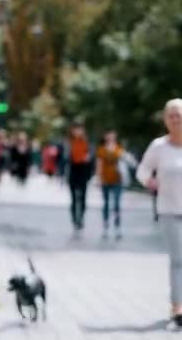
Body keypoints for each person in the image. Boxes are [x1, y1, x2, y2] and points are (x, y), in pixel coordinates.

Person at [136, 98, 182, 327]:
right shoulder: (159, 147)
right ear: (166, 120)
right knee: (178, 259)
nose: (176, 119)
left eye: (179, 114)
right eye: (171, 115)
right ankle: (178, 308)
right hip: (169, 210)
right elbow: (142, 170)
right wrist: (149, 181)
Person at [96, 130, 125, 240]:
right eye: (108, 134)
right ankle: (105, 226)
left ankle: (118, 227)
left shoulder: (119, 148)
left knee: (117, 204)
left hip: (118, 179)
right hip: (105, 179)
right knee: (106, 204)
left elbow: (124, 161)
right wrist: (99, 178)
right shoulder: (101, 149)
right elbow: (99, 164)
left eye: (112, 135)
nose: (110, 137)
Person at [67, 122, 92, 235]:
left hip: (83, 172)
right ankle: (74, 219)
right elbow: (65, 157)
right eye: (75, 130)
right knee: (73, 198)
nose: (77, 132)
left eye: (79, 129)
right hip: (73, 171)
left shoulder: (87, 143)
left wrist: (88, 159)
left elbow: (92, 158)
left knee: (83, 197)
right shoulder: (69, 143)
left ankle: (81, 218)